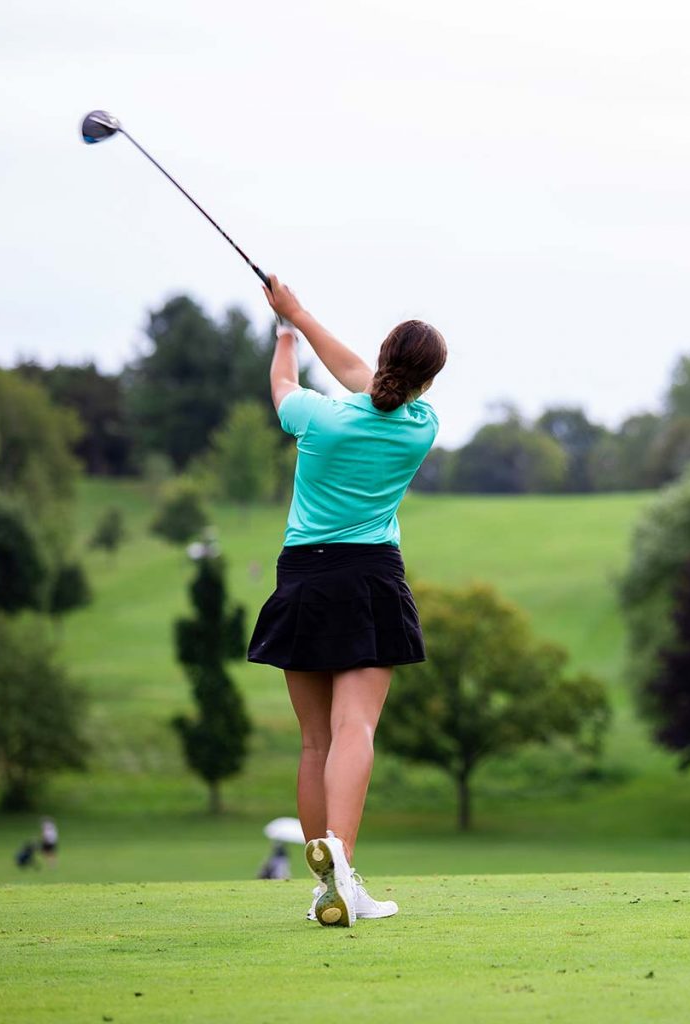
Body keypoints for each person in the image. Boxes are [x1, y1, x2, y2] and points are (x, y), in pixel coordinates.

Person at [248, 276, 446, 928]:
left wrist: (286, 330)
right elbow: (364, 376)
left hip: (304, 577)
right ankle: (344, 863)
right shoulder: (421, 427)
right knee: (353, 730)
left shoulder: (318, 417)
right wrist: (298, 314)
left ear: (384, 360)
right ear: (427, 381)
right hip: (371, 578)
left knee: (313, 742)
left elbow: (285, 389)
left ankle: (325, 883)